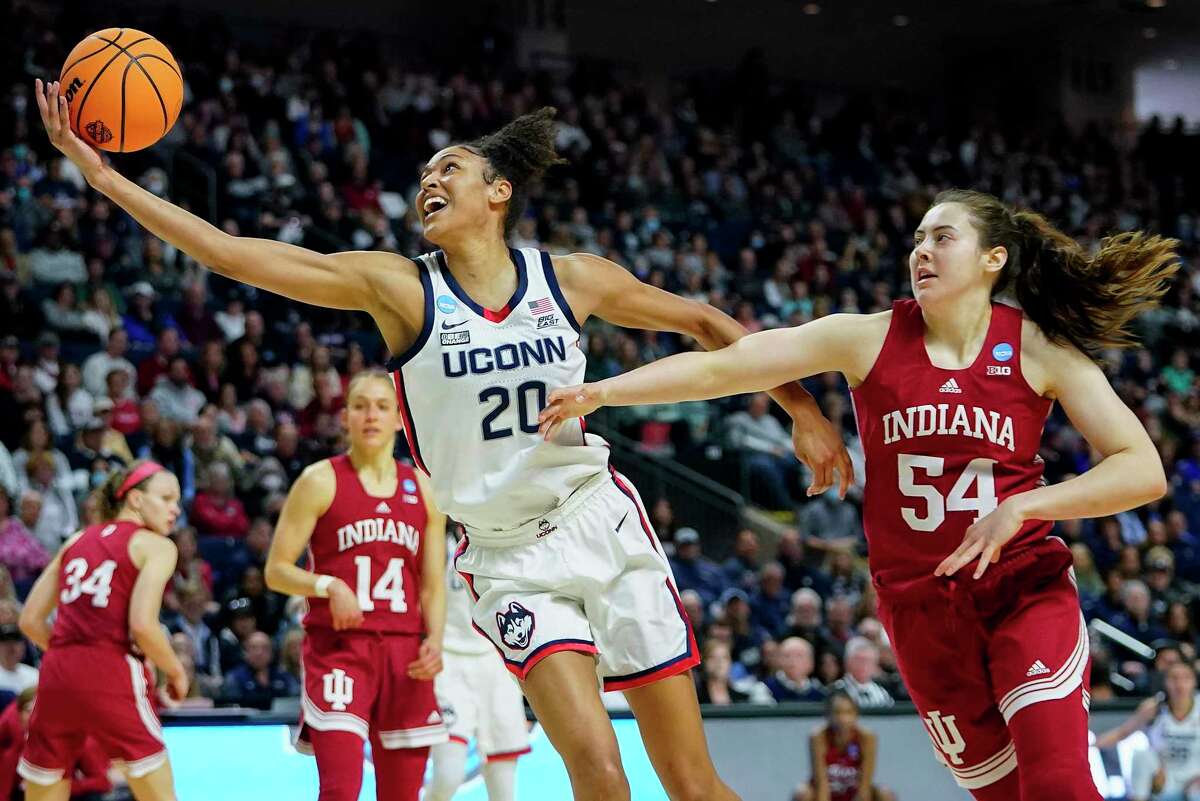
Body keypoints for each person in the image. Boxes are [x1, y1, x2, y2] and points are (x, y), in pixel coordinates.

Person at [37, 81, 851, 801]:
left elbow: (710, 325)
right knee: (599, 772)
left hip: (600, 522)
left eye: (448, 170)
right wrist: (105, 176)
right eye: (423, 175)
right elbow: (231, 253)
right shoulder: (397, 288)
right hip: (505, 559)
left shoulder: (571, 279)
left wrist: (800, 408)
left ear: (498, 191)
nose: (428, 181)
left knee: (690, 781)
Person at [538, 188, 1178, 800]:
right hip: (920, 608)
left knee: (1058, 786)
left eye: (943, 238)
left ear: (994, 258)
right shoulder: (867, 337)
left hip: (1020, 587)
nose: (921, 251)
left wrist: (1025, 505)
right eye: (918, 239)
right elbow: (724, 366)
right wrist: (603, 391)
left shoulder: (1037, 347)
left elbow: (1142, 467)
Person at [264, 370, 448, 801]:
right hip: (340, 650)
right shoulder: (319, 480)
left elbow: (432, 585)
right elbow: (276, 570)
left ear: (401, 418)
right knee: (341, 790)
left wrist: (435, 640)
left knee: (403, 794)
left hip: (406, 655)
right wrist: (328, 585)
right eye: (361, 405)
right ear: (344, 416)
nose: (371, 415)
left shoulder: (423, 488)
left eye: (383, 407)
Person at [16, 460, 187, 800]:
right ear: (136, 499)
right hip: (111, 669)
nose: (175, 509)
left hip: (56, 674)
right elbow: (142, 625)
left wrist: (71, 658)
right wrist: (175, 671)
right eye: (166, 498)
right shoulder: (156, 545)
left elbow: (30, 621)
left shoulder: (76, 540)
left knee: (46, 784)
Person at [425, 526, 529, 801]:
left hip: (496, 663)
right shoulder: (436, 538)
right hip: (447, 660)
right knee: (448, 775)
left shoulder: (501, 528)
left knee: (504, 789)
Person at [1095, 662, 1200, 801]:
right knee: (1142, 756)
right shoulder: (1153, 707)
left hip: (1194, 780)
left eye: (1186, 678)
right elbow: (1122, 733)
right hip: (1163, 780)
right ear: (1166, 682)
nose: (1180, 684)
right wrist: (1090, 745)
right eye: (1174, 678)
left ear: (1194, 682)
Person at [796, 690, 894, 801]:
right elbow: (821, 783)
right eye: (837, 712)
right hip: (826, 792)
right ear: (828, 715)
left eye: (848, 712)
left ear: (856, 714)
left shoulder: (867, 737)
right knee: (802, 793)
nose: (843, 718)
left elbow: (864, 787)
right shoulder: (818, 737)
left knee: (886, 794)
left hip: (854, 791)